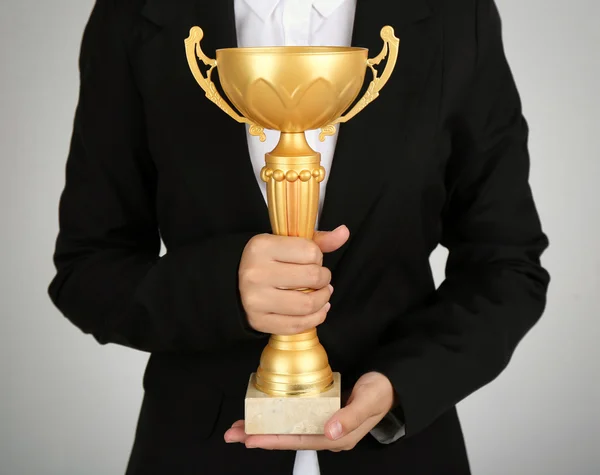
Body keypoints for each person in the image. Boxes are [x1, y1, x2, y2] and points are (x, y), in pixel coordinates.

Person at [48, 0, 550, 474]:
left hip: (404, 455)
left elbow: (507, 266)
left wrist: (400, 387)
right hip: (196, 450)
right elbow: (87, 269)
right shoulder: (133, 13)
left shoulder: (455, 13)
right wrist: (222, 290)